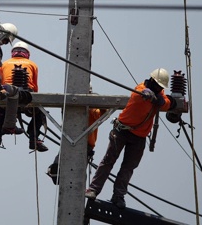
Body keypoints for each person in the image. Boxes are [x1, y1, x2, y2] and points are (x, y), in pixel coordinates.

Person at [85, 68, 175, 209]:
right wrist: (150, 96)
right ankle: (93, 189)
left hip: (139, 138)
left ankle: (118, 196)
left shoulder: (159, 94)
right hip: (121, 131)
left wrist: (162, 101)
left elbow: (167, 102)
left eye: (160, 87)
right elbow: (140, 95)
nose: (158, 88)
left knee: (128, 168)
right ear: (151, 81)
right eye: (157, 86)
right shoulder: (140, 90)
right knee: (109, 161)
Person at [0, 41, 47, 151]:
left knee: (1, 110)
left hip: (7, 93)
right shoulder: (32, 64)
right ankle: (33, 140)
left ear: (12, 53)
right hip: (25, 95)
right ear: (27, 53)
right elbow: (34, 86)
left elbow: (0, 81)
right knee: (39, 113)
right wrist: (33, 101)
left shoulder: (4, 64)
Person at [47, 94, 102, 184]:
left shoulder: (92, 108)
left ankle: (60, 177)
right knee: (70, 174)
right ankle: (58, 176)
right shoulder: (74, 104)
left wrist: (99, 105)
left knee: (76, 176)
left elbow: (99, 113)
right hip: (73, 141)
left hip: (81, 143)